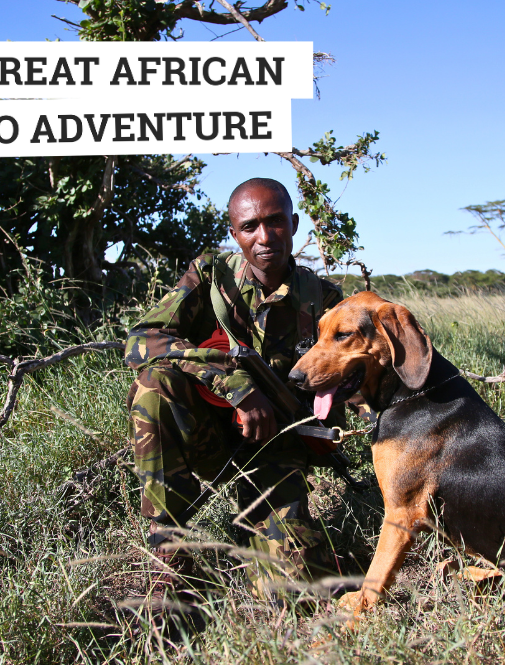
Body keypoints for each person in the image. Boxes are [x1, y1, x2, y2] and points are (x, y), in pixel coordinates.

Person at [124, 177, 344, 607]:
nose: (264, 238)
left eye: (276, 222)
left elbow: (356, 382)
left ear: (294, 224)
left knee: (296, 590)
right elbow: (142, 339)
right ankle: (170, 550)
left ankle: (263, 527)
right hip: (208, 435)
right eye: (250, 227)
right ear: (234, 233)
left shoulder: (324, 300)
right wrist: (236, 385)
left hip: (276, 448)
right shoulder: (211, 277)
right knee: (154, 386)